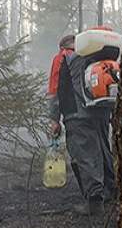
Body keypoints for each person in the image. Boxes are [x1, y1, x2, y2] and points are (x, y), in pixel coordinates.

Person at [48, 33, 116, 215]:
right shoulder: (91, 54)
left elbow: (54, 91)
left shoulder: (62, 58)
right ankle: (111, 192)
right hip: (100, 111)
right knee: (103, 150)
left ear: (62, 46)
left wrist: (54, 119)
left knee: (84, 155)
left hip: (76, 114)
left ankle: (94, 201)